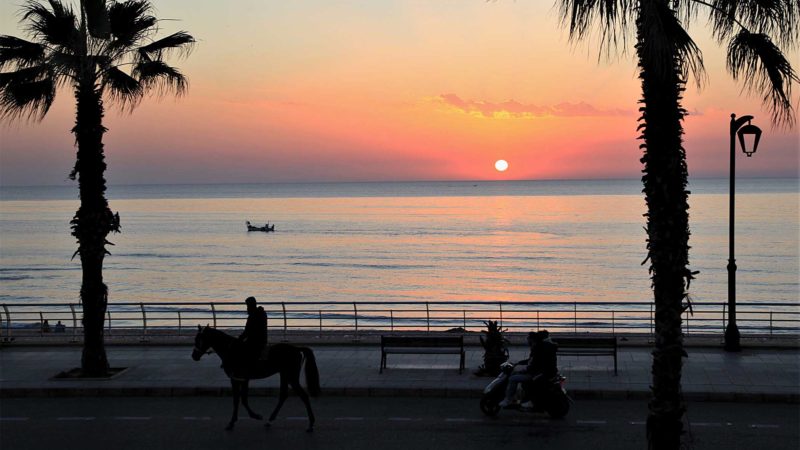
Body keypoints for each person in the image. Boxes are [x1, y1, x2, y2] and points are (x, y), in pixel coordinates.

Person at [499, 330, 558, 408]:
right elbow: (532, 361)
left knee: (512, 379)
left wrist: (525, 370)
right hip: (545, 372)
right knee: (516, 375)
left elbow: (536, 364)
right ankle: (522, 398)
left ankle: (509, 399)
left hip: (540, 374)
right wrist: (518, 363)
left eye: (529, 339)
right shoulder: (545, 347)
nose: (528, 341)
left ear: (533, 340)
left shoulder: (539, 349)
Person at [236, 296, 268, 370]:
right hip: (262, 339)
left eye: (247, 306)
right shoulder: (262, 313)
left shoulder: (253, 316)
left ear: (250, 306)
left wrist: (239, 339)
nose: (247, 308)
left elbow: (247, 331)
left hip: (255, 341)